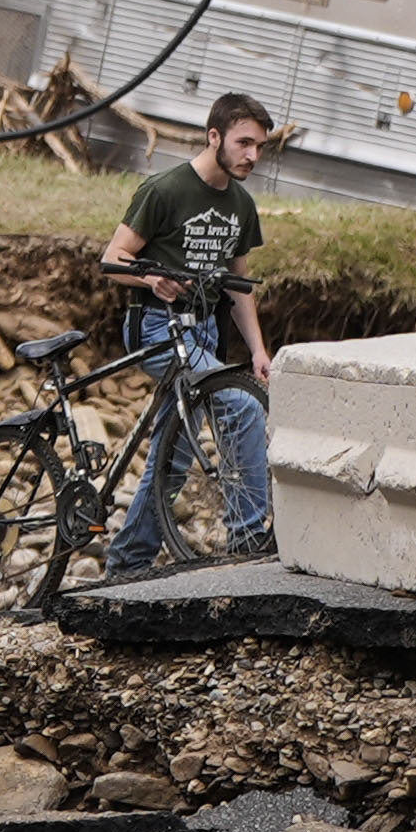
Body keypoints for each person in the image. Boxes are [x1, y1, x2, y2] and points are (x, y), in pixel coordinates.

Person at [94, 90, 277, 575]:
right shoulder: (166, 190)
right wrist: (151, 277)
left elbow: (238, 289)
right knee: (240, 406)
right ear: (213, 136)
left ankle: (126, 563)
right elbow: (112, 260)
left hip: (203, 337)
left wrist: (258, 351)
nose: (253, 156)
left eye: (260, 146)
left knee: (172, 454)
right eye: (244, 143)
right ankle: (249, 541)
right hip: (156, 327)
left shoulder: (241, 205)